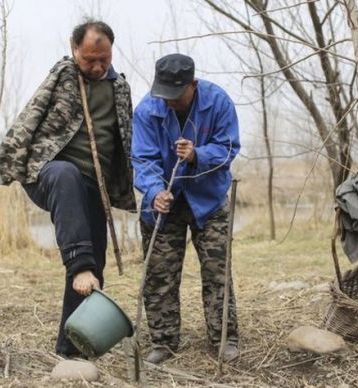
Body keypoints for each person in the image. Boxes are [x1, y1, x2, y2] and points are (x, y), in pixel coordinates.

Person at [0, 20, 135, 357]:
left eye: (104, 59)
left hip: (93, 185)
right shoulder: (65, 75)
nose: (97, 66)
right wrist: (8, 163)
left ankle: (72, 348)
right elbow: (30, 116)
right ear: (74, 50)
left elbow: (125, 139)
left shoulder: (121, 88)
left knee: (95, 261)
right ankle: (79, 263)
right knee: (67, 175)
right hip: (49, 175)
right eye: (89, 60)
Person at [131, 53, 241, 364]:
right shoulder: (146, 110)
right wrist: (154, 192)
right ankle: (163, 341)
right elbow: (142, 159)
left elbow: (229, 148)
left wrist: (197, 155)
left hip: (208, 198)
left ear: (192, 84)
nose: (169, 102)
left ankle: (224, 338)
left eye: (175, 96)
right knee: (159, 273)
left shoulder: (218, 102)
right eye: (163, 94)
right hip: (164, 204)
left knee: (217, 271)